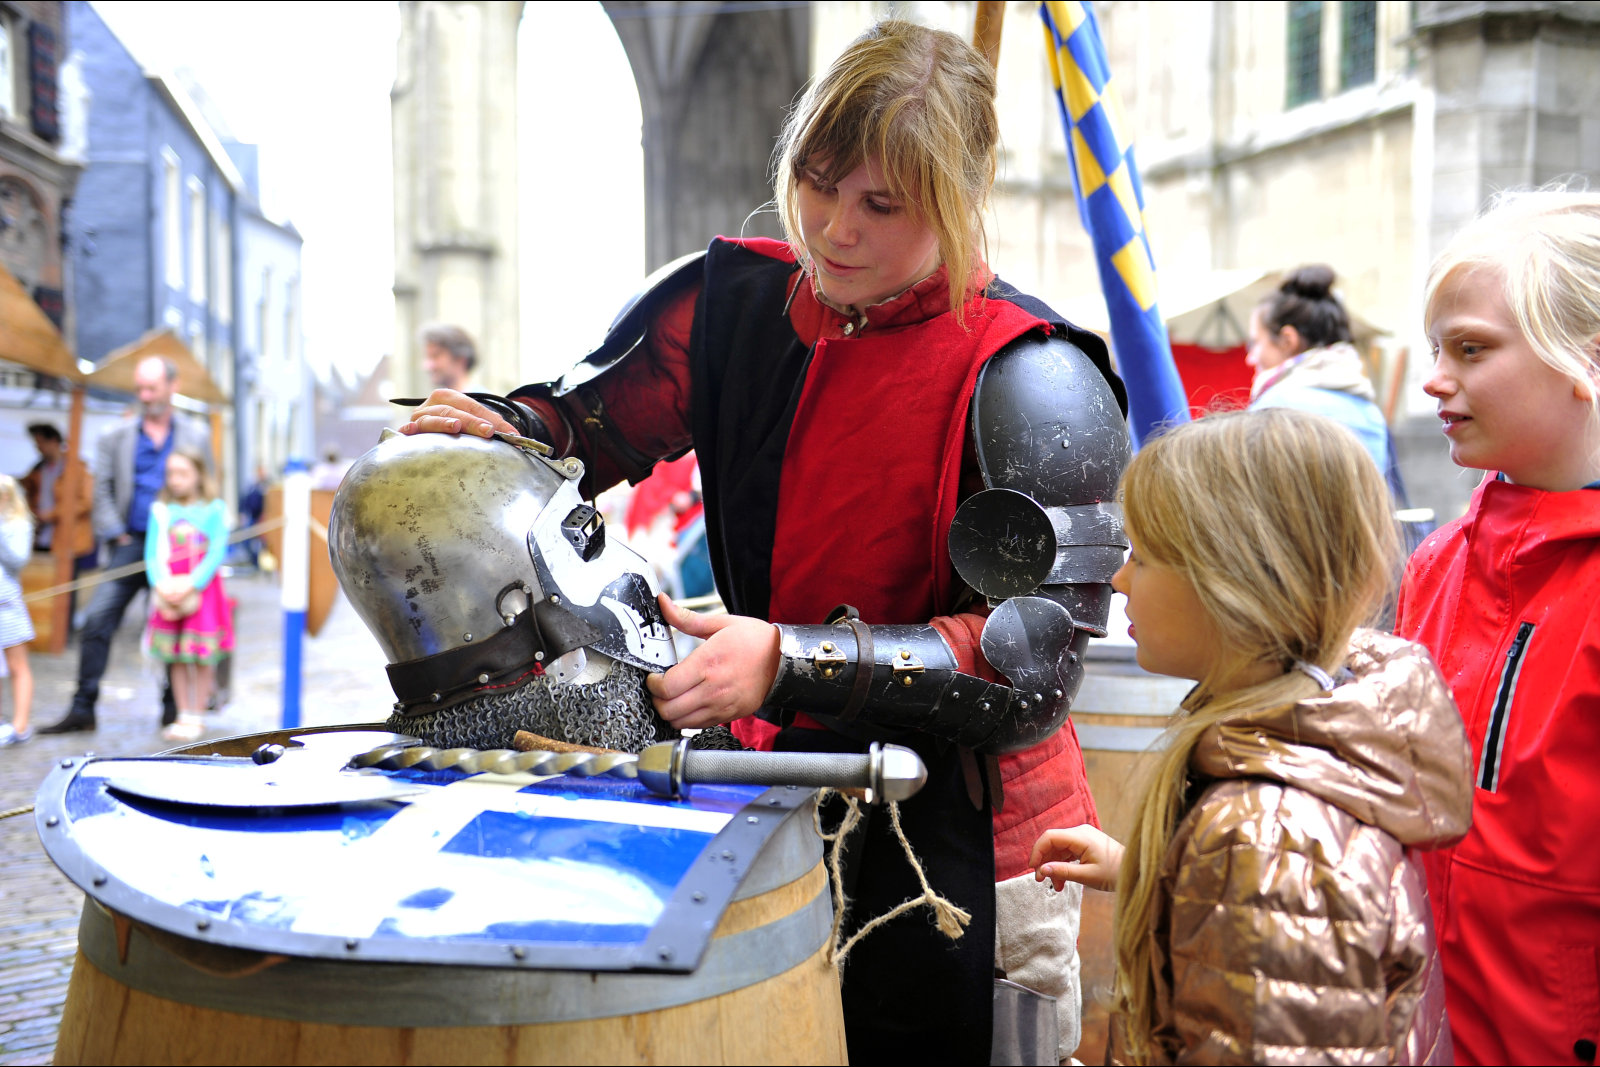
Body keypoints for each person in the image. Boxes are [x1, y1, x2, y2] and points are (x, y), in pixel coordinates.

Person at [399, 20, 1131, 1062]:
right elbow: (596, 420)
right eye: (820, 182)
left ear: (957, 199)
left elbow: (1031, 663)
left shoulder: (1033, 376)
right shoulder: (736, 303)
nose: (834, 228)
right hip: (769, 798)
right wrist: (513, 424)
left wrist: (785, 658)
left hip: (972, 835)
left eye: (882, 204)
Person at [1031, 409, 1472, 1063]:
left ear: (1233, 585)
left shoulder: (1262, 840)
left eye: (1145, 557)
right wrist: (1154, 876)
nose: (1120, 580)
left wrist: (1223, 862)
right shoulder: (1303, 763)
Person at [1394, 189, 1600, 1065]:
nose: (1436, 378)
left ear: (1583, 358)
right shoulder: (1439, 564)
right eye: (1438, 349)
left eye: (1471, 349)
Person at [39, 355, 210, 734]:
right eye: (140, 388)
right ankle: (83, 708)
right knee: (97, 619)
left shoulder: (195, 436)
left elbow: (209, 486)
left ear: (172, 386)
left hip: (177, 549)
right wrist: (115, 532)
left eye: (152, 387)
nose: (145, 395)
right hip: (130, 544)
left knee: (176, 622)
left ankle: (173, 709)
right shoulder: (114, 436)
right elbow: (101, 489)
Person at [1246, 265, 1390, 471]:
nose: (1250, 358)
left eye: (1255, 343)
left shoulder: (1273, 407)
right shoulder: (1369, 411)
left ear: (1287, 340)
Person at [145, 446, 229, 743]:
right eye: (171, 474)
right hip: (169, 591)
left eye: (183, 473)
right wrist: (162, 584)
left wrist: (192, 583)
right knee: (177, 656)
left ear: (198, 475)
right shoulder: (161, 511)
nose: (175, 480)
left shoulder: (214, 509)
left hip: (202, 593)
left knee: (202, 656)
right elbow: (152, 554)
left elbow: (217, 549)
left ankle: (198, 714)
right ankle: (183, 713)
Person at [0, 476, 35, 747]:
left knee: (17, 665)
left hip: (7, 606)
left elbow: (17, 561)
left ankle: (20, 725)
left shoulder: (18, 526)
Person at [420, 323, 476, 393]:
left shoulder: (482, 402)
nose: (428, 366)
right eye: (428, 357)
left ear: (460, 359)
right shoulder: (440, 401)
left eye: (436, 356)